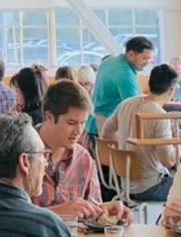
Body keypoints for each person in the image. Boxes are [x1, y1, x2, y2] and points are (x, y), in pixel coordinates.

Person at [34, 80, 132, 223]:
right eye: (71, 123)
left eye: (83, 123)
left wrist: (105, 211)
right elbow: (6, 216)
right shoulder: (21, 154)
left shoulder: (84, 159)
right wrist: (56, 212)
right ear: (49, 117)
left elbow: (91, 211)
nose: (79, 131)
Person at [100, 63, 181, 202]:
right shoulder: (160, 115)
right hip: (150, 187)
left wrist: (126, 145)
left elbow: (106, 133)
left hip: (123, 184)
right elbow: (168, 161)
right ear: (171, 90)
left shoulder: (126, 103)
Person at [87, 36, 155, 137]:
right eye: (144, 58)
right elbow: (135, 106)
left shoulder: (110, 61)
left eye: (149, 59)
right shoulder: (124, 73)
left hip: (93, 121)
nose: (147, 62)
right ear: (131, 54)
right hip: (106, 121)